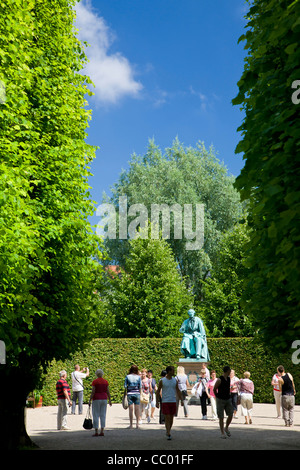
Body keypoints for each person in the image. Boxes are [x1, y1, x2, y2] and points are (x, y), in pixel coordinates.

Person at [156, 365, 182, 440]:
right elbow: (158, 391)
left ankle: (169, 430)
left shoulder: (175, 380)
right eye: (173, 370)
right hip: (165, 401)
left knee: (171, 418)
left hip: (173, 400)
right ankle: (168, 432)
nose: (174, 372)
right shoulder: (162, 380)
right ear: (169, 371)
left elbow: (178, 390)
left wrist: (181, 400)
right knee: (167, 417)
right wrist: (157, 401)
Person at [89, 369, 112, 436]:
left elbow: (93, 391)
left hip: (96, 398)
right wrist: (110, 399)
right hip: (104, 398)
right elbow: (108, 391)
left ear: (96, 374)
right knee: (103, 414)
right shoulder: (105, 381)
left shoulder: (95, 382)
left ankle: (96, 431)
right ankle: (102, 430)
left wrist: (90, 400)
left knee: (95, 414)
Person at [213, 366, 233, 439]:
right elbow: (214, 389)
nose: (230, 372)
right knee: (221, 417)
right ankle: (222, 432)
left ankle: (226, 427)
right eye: (229, 371)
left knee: (231, 414)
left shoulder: (228, 379)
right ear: (227, 371)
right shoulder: (219, 379)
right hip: (220, 399)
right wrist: (217, 396)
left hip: (227, 398)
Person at [124, 364, 142, 429]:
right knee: (137, 409)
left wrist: (125, 394)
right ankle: (137, 424)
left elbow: (125, 386)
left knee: (130, 410)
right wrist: (140, 394)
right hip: (137, 393)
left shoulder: (127, 376)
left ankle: (131, 424)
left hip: (130, 393)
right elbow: (140, 386)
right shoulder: (138, 377)